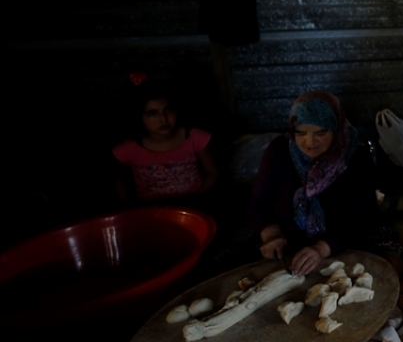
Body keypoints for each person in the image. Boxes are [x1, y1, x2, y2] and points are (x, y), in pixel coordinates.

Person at [248, 91, 377, 276]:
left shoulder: (356, 156)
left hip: (341, 245)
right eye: (300, 133)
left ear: (336, 128)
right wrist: (271, 234)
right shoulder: (279, 151)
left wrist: (321, 248)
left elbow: (363, 217)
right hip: (286, 246)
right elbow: (259, 203)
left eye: (320, 133)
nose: (309, 142)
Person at [112, 80, 218, 203]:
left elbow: (212, 173)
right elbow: (118, 179)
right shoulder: (129, 149)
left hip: (192, 205)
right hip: (150, 209)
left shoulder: (194, 137)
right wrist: (130, 208)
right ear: (139, 117)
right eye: (153, 114)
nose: (163, 119)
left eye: (168, 110)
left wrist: (195, 200)